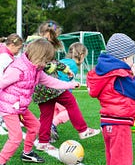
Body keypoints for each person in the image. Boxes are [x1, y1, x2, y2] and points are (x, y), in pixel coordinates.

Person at [0, 38, 80, 165]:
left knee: (35, 126)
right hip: (9, 107)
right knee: (16, 137)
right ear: (39, 56)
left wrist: (70, 85)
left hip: (20, 106)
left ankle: (27, 153)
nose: (47, 64)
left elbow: (51, 82)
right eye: (46, 60)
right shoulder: (17, 69)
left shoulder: (37, 69)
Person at [87, 33, 135, 165]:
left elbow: (116, 96)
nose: (133, 62)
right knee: (122, 156)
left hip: (108, 121)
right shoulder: (120, 74)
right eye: (132, 58)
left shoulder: (106, 73)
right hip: (119, 124)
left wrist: (133, 107)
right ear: (125, 58)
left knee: (113, 155)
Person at [30, 21, 100, 151]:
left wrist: (64, 69)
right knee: (71, 102)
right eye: (57, 35)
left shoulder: (34, 44)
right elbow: (49, 64)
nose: (58, 37)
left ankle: (43, 142)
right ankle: (83, 130)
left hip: (39, 88)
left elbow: (52, 63)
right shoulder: (45, 45)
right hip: (50, 85)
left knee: (47, 114)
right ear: (51, 34)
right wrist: (64, 70)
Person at [51, 42, 88, 142]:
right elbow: (63, 78)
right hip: (60, 92)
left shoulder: (63, 61)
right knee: (71, 109)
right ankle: (53, 124)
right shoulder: (73, 65)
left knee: (54, 111)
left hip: (50, 90)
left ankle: (47, 131)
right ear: (82, 55)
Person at [0, 33, 23, 135]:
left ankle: (5, 122)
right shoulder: (5, 56)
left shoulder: (8, 54)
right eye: (18, 48)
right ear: (12, 45)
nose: (19, 51)